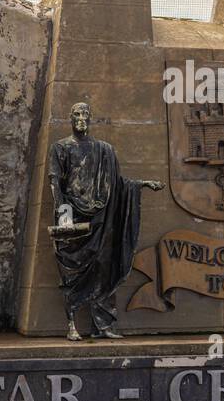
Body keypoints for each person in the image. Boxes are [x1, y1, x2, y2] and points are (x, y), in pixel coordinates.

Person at [48, 103, 164, 340]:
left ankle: (103, 326)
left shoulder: (104, 150)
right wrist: (63, 216)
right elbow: (55, 183)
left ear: (91, 119)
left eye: (85, 115)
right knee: (72, 274)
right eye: (77, 114)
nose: (81, 118)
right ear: (70, 118)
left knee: (104, 270)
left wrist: (142, 184)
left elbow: (117, 184)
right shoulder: (60, 148)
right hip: (74, 219)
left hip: (101, 221)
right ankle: (71, 325)